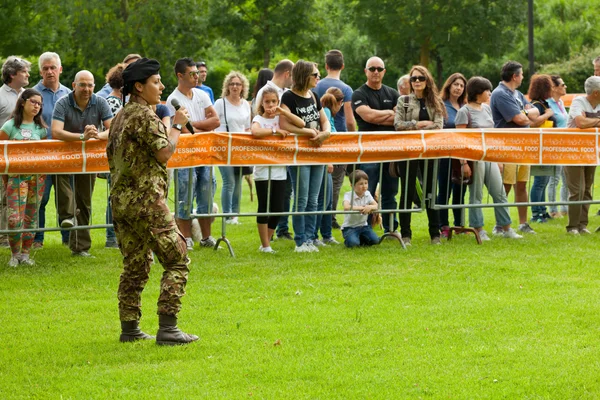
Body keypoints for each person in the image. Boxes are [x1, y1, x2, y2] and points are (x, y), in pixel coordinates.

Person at [107, 57, 198, 345]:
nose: (161, 87)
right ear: (138, 86)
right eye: (155, 82)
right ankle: (168, 328)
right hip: (146, 201)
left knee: (135, 266)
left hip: (122, 203)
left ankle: (130, 329)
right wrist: (178, 126)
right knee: (178, 258)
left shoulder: (122, 115)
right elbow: (164, 152)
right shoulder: (144, 116)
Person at [52, 70, 113, 257]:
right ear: (73, 85)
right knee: (63, 186)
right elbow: (56, 131)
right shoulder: (62, 102)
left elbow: (112, 129)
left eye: (90, 85)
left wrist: (96, 135)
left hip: (88, 159)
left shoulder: (100, 102)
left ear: (94, 86)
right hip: (64, 156)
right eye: (82, 85)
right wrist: (81, 137)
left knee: (85, 201)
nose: (86, 89)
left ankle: (80, 248)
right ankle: (68, 215)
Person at [455, 77, 522, 241]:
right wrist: (463, 163)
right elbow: (460, 140)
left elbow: (493, 137)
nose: (490, 93)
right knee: (476, 194)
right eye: (487, 90)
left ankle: (506, 227)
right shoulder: (464, 112)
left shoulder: (486, 109)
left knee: (499, 192)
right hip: (474, 158)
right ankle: (478, 229)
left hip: (489, 157)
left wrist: (497, 159)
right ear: (478, 92)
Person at [166, 58, 220, 250]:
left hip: (205, 153)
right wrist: (194, 127)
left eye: (197, 73)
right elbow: (182, 130)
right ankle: (186, 237)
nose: (197, 76)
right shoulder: (173, 100)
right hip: (185, 155)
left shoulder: (202, 94)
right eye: (192, 73)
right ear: (180, 76)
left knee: (207, 191)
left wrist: (193, 124)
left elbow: (215, 121)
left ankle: (206, 237)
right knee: (185, 193)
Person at [279, 60, 331, 252]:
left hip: (317, 152)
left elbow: (323, 120)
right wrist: (307, 133)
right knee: (301, 198)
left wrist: (326, 133)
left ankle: (310, 238)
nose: (318, 78)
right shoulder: (288, 97)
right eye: (315, 75)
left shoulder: (314, 95)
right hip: (299, 153)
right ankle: (300, 240)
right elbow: (283, 124)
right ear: (304, 76)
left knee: (314, 199)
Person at [394, 65, 443, 245]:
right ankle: (405, 234)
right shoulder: (404, 100)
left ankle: (435, 234)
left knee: (431, 192)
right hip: (408, 151)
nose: (416, 82)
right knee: (406, 192)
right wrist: (419, 124)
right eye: (413, 79)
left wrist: (416, 125)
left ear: (427, 80)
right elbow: (398, 125)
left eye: (420, 78)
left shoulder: (435, 101)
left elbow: (438, 125)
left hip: (430, 151)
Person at [251, 86, 304, 253]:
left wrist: (284, 112)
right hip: (262, 169)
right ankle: (266, 244)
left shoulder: (282, 118)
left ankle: (265, 241)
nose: (271, 105)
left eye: (274, 101)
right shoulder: (259, 118)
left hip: (280, 169)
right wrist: (274, 131)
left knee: (279, 207)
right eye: (267, 101)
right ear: (262, 103)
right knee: (264, 206)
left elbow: (300, 123)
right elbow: (255, 132)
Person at [489, 60, 540, 235]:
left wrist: (524, 113)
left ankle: (523, 223)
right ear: (514, 76)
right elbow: (520, 120)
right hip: (506, 145)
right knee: (506, 185)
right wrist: (525, 114)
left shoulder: (517, 94)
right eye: (522, 74)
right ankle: (500, 225)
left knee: (522, 184)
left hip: (522, 145)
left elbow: (535, 113)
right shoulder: (500, 94)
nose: (523, 77)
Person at [352, 57, 400, 237]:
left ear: (384, 71)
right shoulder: (358, 94)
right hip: (369, 150)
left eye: (379, 69)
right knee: (366, 190)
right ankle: (362, 229)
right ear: (366, 71)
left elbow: (399, 118)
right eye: (372, 68)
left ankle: (391, 229)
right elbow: (368, 117)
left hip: (390, 150)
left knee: (390, 192)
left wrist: (380, 116)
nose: (376, 72)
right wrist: (389, 113)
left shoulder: (393, 93)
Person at [0, 89, 47, 266]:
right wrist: (6, 178)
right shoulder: (9, 126)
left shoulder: (40, 130)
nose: (37, 106)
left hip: (36, 179)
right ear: (23, 102)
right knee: (14, 219)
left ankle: (25, 254)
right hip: (16, 179)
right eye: (33, 102)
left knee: (31, 217)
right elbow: (1, 153)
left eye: (39, 104)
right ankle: (14, 254)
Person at [32, 52, 71, 248]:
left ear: (60, 69)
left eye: (53, 67)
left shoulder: (69, 94)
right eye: (45, 68)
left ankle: (68, 238)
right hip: (41, 154)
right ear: (40, 71)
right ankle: (37, 239)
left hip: (65, 155)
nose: (49, 71)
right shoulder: (31, 95)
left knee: (66, 198)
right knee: (41, 197)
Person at [314, 50, 356, 230]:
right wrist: (353, 138)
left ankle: (318, 217)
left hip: (319, 140)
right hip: (338, 140)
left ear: (326, 66)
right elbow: (349, 120)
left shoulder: (315, 85)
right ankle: (330, 218)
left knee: (318, 184)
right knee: (336, 183)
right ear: (343, 66)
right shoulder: (346, 89)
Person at [0, 56, 31, 248]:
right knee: (4, 196)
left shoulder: (28, 95)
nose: (28, 74)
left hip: (26, 159)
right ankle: (4, 236)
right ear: (12, 74)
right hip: (3, 157)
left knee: (23, 199)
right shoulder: (0, 96)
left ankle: (20, 237)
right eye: (24, 72)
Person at [214, 71, 251, 224]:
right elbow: (214, 124)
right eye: (232, 83)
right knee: (228, 181)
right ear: (227, 86)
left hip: (240, 148)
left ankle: (235, 215)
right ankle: (227, 215)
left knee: (238, 181)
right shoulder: (220, 103)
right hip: (223, 147)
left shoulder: (246, 105)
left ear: (243, 87)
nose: (235, 86)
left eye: (238, 84)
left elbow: (247, 127)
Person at [564, 76, 600, 235]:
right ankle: (572, 226)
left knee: (587, 189)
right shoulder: (578, 102)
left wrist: (591, 121)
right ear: (596, 93)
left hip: (591, 151)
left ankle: (582, 225)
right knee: (576, 189)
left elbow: (586, 122)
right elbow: (580, 123)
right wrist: (597, 121)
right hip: (572, 151)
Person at [311, 88, 344, 246]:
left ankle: (326, 234)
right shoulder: (326, 112)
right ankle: (315, 235)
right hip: (324, 159)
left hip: (327, 158)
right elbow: (327, 134)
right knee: (322, 199)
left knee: (327, 199)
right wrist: (328, 160)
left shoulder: (325, 111)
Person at [438, 73, 468, 237]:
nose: (458, 88)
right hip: (445, 154)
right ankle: (444, 226)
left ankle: (460, 225)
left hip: (462, 155)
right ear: (449, 86)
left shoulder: (466, 105)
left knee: (460, 190)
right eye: (455, 84)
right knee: (444, 190)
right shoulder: (441, 105)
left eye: (462, 86)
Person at [102, 63, 127, 249]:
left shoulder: (124, 101)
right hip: (117, 155)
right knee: (115, 196)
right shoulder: (112, 101)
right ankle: (111, 236)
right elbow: (115, 130)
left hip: (125, 156)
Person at [527, 74, 557, 224]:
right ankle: (536, 213)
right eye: (550, 87)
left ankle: (542, 210)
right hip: (539, 148)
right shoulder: (536, 105)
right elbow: (531, 123)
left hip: (547, 147)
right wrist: (548, 114)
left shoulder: (543, 103)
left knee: (544, 180)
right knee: (539, 181)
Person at [547, 75, 569, 219]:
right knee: (554, 179)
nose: (565, 86)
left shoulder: (561, 102)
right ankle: (553, 210)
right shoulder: (548, 104)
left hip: (566, 145)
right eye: (562, 84)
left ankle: (564, 208)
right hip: (554, 146)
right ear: (554, 88)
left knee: (566, 179)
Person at [341, 169, 380, 248]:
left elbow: (377, 206)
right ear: (352, 185)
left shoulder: (367, 194)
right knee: (353, 244)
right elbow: (346, 207)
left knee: (376, 241)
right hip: (350, 227)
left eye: (366, 183)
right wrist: (362, 208)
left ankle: (360, 238)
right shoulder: (348, 195)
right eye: (360, 184)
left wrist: (370, 207)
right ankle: (349, 240)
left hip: (363, 226)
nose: (364, 186)